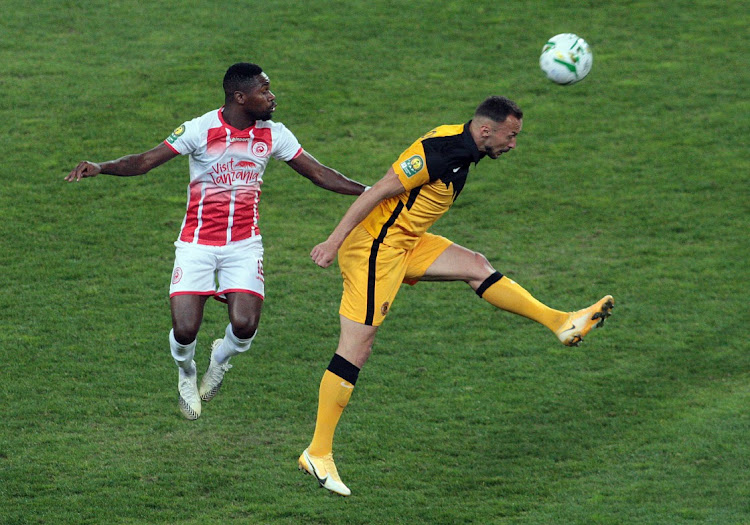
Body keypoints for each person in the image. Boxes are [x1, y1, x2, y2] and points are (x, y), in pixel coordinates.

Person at [297, 96, 614, 496]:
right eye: (510, 136)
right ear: (486, 131)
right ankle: (317, 451)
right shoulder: (442, 150)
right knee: (356, 348)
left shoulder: (467, 145)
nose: (513, 144)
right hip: (377, 248)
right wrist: (332, 242)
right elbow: (377, 191)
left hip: (408, 241)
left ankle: (561, 322)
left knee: (475, 266)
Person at [65, 62, 367, 420]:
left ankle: (220, 360)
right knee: (184, 328)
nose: (272, 97)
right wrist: (102, 166)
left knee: (244, 325)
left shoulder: (275, 134)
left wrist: (371, 192)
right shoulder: (200, 129)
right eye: (264, 91)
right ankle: (186, 373)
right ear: (240, 97)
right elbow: (145, 161)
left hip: (244, 245)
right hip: (196, 244)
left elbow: (320, 174)